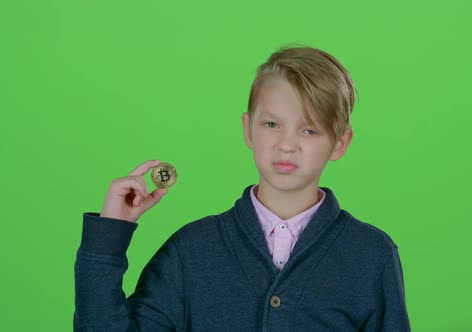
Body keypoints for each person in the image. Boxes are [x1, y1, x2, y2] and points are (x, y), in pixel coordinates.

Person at [74, 45, 411, 331]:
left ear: (340, 143)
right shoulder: (190, 251)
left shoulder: (372, 255)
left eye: (309, 130)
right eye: (272, 124)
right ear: (248, 129)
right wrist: (107, 241)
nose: (286, 144)